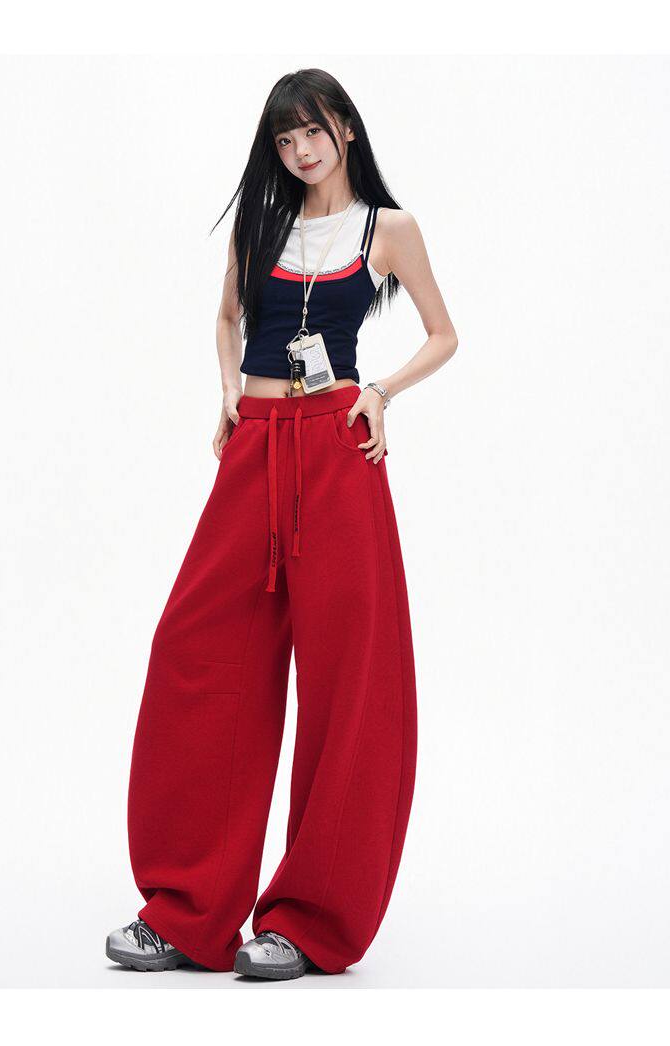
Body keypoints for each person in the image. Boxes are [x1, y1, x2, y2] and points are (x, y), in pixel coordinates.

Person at [106, 67, 458, 981]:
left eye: (312, 131)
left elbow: (444, 334)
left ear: (345, 128)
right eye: (284, 138)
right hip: (256, 447)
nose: (300, 150)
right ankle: (188, 911)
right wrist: (228, 390)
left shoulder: (389, 230)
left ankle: (308, 920)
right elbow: (227, 318)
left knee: (352, 680)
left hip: (339, 450)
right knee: (197, 652)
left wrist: (381, 392)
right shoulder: (260, 227)